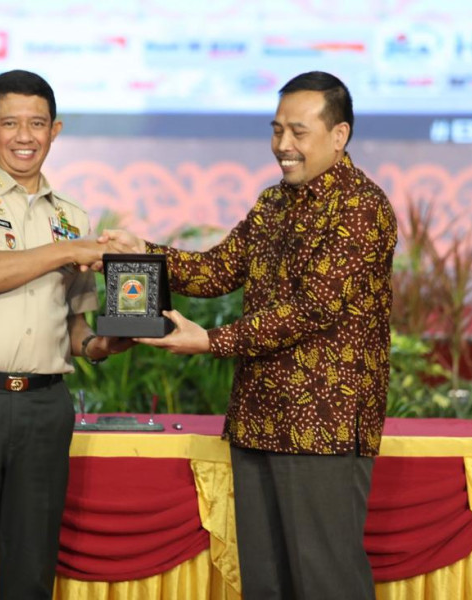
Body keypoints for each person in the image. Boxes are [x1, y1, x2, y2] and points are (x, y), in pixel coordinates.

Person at [104, 71, 397, 599]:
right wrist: (141, 251)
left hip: (322, 427)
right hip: (259, 418)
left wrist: (211, 342)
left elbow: (311, 309)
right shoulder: (273, 203)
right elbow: (216, 270)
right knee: (266, 583)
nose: (283, 145)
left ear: (339, 135)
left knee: (325, 581)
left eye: (298, 132)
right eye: (276, 129)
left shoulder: (361, 208)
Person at [0, 69, 131, 600]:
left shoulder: (69, 217)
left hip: (44, 408)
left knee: (32, 574)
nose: (24, 136)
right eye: (9, 123)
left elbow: (76, 330)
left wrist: (108, 343)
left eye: (37, 123)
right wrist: (70, 251)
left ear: (55, 130)